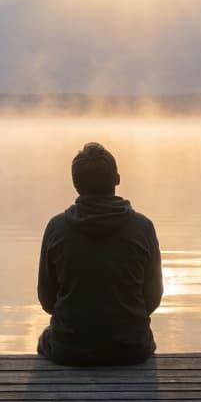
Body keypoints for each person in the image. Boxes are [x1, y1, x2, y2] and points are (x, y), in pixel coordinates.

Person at [37, 142, 163, 366]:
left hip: (69, 349)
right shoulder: (143, 228)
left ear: (75, 184)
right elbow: (152, 298)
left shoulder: (57, 228)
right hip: (132, 348)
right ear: (117, 179)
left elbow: (47, 299)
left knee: (45, 339)